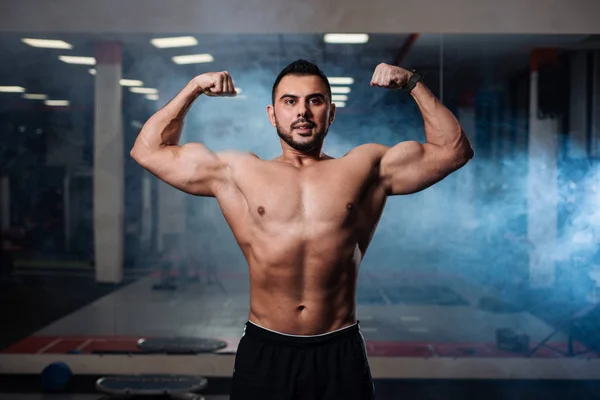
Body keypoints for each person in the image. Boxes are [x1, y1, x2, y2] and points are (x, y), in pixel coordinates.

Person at [130, 59, 474, 399]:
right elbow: (148, 150)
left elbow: (454, 151)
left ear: (331, 112)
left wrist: (413, 83)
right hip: (266, 350)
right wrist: (193, 89)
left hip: (339, 350)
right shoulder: (237, 171)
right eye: (290, 101)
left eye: (315, 100)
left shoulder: (364, 167)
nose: (302, 112)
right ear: (271, 114)